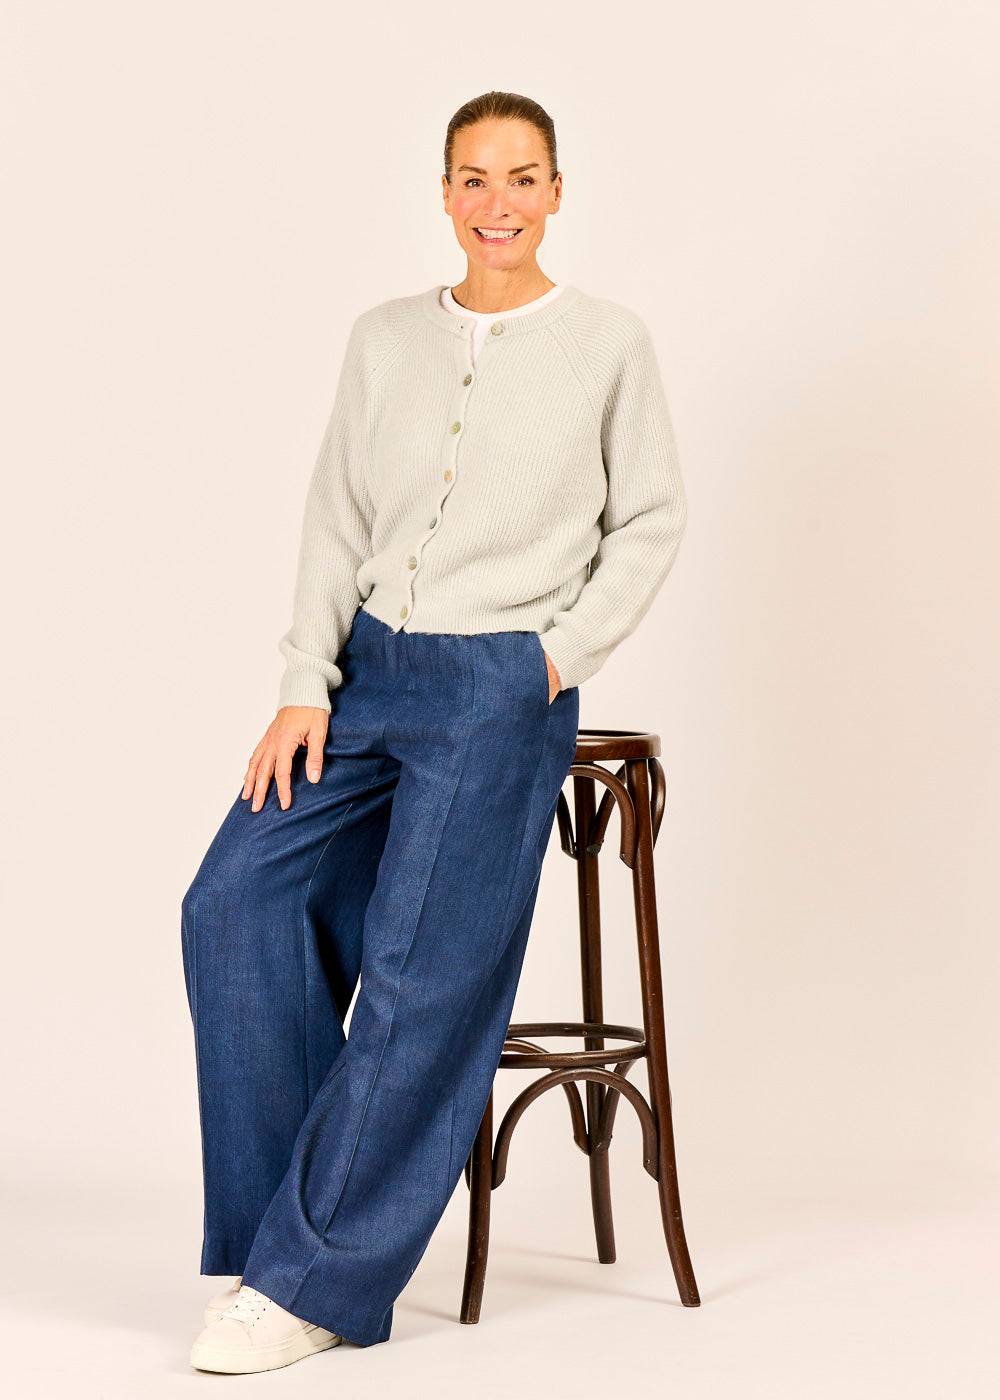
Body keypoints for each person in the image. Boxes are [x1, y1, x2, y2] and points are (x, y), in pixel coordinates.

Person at [181, 89, 688, 1375]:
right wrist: (304, 679)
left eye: (521, 178)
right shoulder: (384, 339)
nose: (496, 203)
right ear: (445, 193)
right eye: (473, 178)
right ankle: (274, 1241)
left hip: (499, 680)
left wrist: (552, 659)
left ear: (557, 192)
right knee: (233, 900)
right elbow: (335, 516)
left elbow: (649, 518)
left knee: (420, 971)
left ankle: (316, 1283)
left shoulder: (607, 343)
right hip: (368, 671)